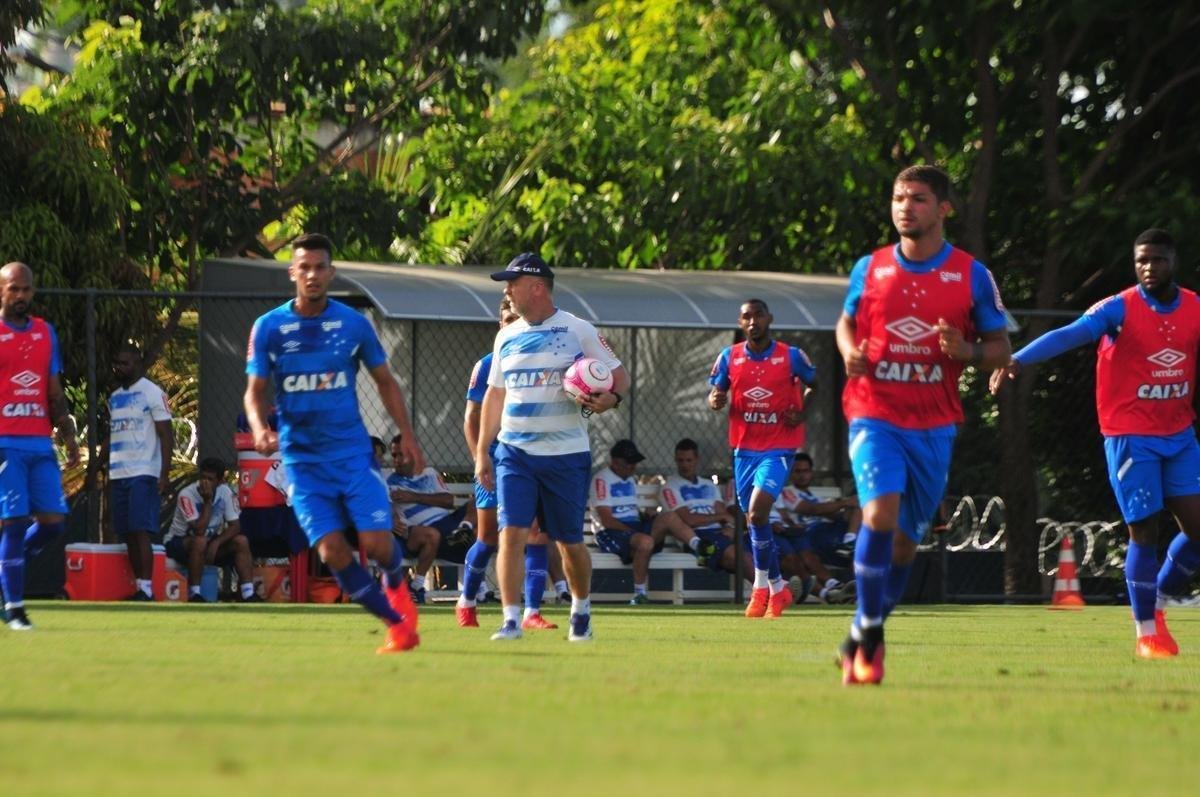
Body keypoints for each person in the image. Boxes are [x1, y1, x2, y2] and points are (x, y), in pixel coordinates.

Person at [836, 164, 1011, 684]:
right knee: (880, 512)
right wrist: (850, 352)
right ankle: (871, 632)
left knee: (906, 546)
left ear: (943, 209)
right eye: (897, 198)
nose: (904, 207)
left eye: (917, 198)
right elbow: (847, 321)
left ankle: (860, 631)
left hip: (934, 425)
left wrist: (969, 350)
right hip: (874, 412)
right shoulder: (869, 268)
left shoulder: (971, 273)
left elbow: (1000, 347)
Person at [991, 228, 1200, 659]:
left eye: (1157, 260)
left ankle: (1158, 598)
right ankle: (1146, 631)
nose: (1148, 267)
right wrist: (1018, 358)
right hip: (1130, 437)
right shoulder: (1119, 308)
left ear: (1172, 262)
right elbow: (1070, 334)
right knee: (1144, 529)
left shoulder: (1194, 308)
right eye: (1141, 260)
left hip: (1179, 434)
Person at [244, 232, 425, 654]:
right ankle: (396, 623)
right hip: (303, 464)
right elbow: (253, 391)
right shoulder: (269, 327)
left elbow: (385, 382)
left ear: (331, 272)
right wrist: (258, 428)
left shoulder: (353, 324)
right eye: (303, 267)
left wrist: (410, 436)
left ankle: (397, 584)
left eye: (320, 267)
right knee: (332, 551)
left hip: (351, 456)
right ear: (292, 272)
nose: (312, 274)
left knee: (379, 545)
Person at [474, 252, 629, 642]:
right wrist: (482, 452)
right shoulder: (505, 335)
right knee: (511, 532)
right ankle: (511, 619)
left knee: (569, 542)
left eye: (512, 283)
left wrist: (612, 399)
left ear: (537, 287)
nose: (507, 290)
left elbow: (618, 376)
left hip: (565, 454)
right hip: (515, 452)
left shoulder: (579, 330)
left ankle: (581, 610)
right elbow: (494, 396)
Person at [457, 297, 565, 630]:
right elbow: (471, 417)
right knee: (488, 537)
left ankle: (531, 611)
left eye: (515, 318)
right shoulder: (487, 364)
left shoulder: (543, 360)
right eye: (506, 318)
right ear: (499, 323)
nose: (511, 324)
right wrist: (481, 457)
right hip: (492, 461)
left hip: (528, 460)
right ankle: (467, 601)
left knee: (535, 535)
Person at [708, 298, 817, 619]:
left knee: (756, 514)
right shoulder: (729, 357)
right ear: (740, 323)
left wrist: (803, 412)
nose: (753, 321)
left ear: (769, 318)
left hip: (779, 448)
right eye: (746, 317)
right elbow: (715, 394)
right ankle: (778, 588)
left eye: (758, 315)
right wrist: (716, 398)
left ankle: (759, 590)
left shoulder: (791, 356)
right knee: (756, 521)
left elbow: (816, 385)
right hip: (744, 451)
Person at [0, 262, 81, 631]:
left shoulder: (45, 333)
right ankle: (15, 607)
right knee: (14, 522)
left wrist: (69, 436)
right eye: (13, 289)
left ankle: (7, 571)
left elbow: (53, 391)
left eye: (25, 289)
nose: (20, 296)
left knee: (52, 523)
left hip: (40, 442)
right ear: (2, 291)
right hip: (5, 444)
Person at [105, 342, 173, 601]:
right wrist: (98, 466)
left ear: (137, 364)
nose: (120, 367)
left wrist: (164, 473)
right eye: (117, 363)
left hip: (144, 470)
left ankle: (147, 588)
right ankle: (139, 586)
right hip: (119, 472)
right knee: (127, 532)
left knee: (140, 529)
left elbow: (166, 435)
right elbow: (113, 434)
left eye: (125, 363)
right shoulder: (114, 397)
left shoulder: (153, 393)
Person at [386, 432, 473, 603]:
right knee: (432, 534)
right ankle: (417, 585)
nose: (396, 459)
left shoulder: (429, 473)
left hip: (447, 523)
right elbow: (382, 506)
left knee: (478, 504)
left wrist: (414, 497)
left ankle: (464, 529)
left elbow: (448, 501)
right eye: (393, 455)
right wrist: (390, 520)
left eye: (400, 454)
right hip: (418, 530)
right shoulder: (387, 479)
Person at [165, 457, 261, 603]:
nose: (205, 482)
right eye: (203, 477)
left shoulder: (225, 492)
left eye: (210, 479)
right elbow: (199, 530)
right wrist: (207, 501)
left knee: (241, 541)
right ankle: (194, 594)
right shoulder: (187, 494)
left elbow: (235, 525)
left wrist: (217, 542)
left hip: (208, 542)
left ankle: (248, 594)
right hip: (178, 543)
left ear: (220, 481)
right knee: (200, 541)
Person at [591, 439, 676, 605]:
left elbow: (629, 510)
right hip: (610, 533)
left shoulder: (629, 479)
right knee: (645, 542)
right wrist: (634, 533)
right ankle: (639, 594)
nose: (632, 467)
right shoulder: (602, 480)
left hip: (633, 529)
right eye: (628, 463)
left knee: (668, 519)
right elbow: (607, 520)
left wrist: (645, 515)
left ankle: (698, 547)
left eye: (634, 463)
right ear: (615, 461)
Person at [658, 438, 756, 581]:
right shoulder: (670, 486)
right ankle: (770, 594)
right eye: (680, 460)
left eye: (688, 460)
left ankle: (773, 590)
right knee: (740, 556)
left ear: (697, 460)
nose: (684, 465)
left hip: (720, 534)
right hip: (698, 537)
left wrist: (729, 527)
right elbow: (689, 520)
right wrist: (720, 517)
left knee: (758, 550)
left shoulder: (708, 485)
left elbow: (723, 513)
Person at [776, 452, 858, 604]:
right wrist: (845, 502)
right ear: (790, 473)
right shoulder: (786, 492)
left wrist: (848, 509)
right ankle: (849, 541)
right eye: (798, 471)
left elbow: (832, 514)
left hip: (828, 531)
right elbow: (812, 510)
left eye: (806, 471)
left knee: (862, 543)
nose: (802, 475)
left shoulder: (814, 496)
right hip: (811, 533)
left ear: (811, 472)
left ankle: (857, 593)